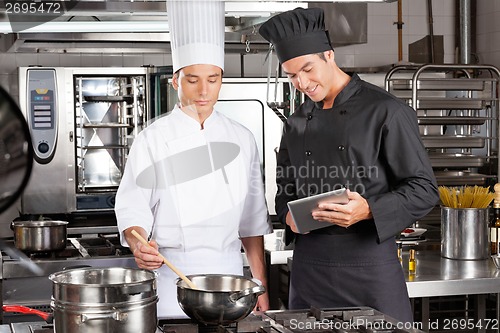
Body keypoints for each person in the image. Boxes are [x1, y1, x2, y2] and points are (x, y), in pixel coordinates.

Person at [259, 7, 439, 323]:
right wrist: (288, 214)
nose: (301, 82)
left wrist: (368, 209)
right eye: (291, 75)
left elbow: (424, 190)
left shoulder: (386, 111)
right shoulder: (297, 121)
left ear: (329, 55)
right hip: (308, 270)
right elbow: (285, 186)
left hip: (368, 269)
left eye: (307, 69)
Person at [115, 0, 272, 318]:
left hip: (230, 283)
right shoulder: (152, 139)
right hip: (172, 282)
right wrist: (138, 246)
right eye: (192, 79)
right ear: (174, 81)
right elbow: (133, 209)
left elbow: (252, 222)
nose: (204, 90)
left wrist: (258, 285)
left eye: (213, 79)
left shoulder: (242, 138)